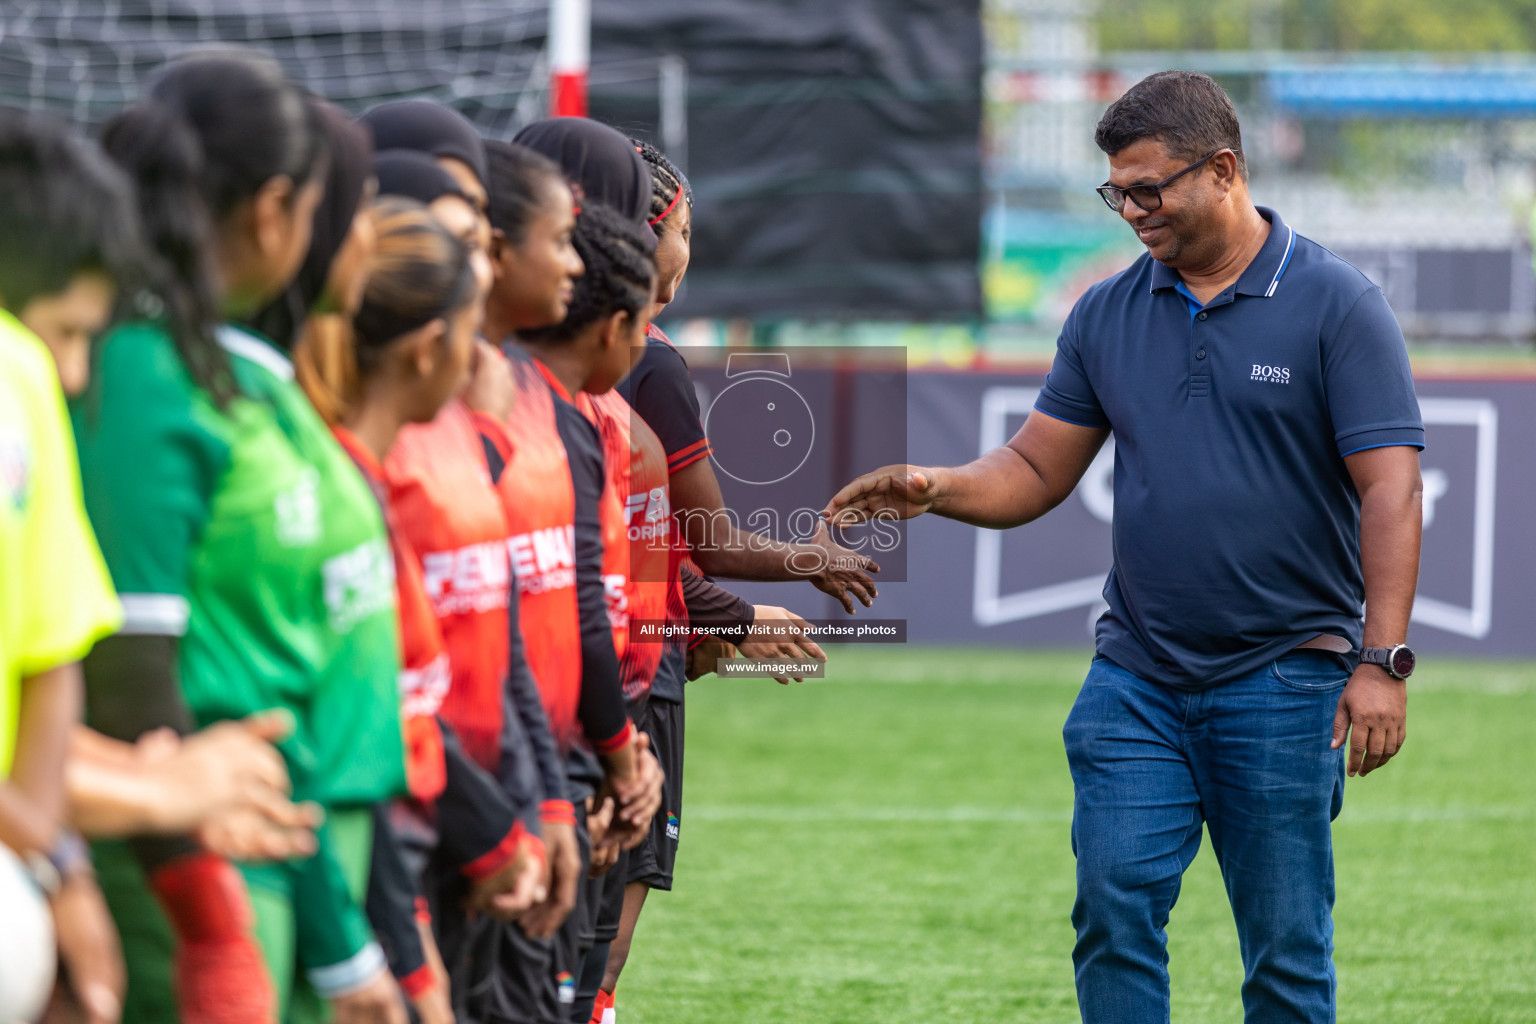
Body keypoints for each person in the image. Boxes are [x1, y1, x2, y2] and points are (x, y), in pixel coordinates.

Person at [827, 71, 1424, 1024]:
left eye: (1149, 189)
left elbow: (1389, 486)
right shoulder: (1106, 312)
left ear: (1223, 170)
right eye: (1117, 192)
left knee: (1286, 955)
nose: (1131, 212)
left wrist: (1382, 659)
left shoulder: (1337, 304)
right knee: (1111, 913)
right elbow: (1033, 468)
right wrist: (934, 489)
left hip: (1285, 677)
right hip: (1136, 677)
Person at [77, 52, 407, 1024]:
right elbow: (133, 664)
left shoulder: (237, 372)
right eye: (335, 208)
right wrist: (213, 899)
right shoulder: (140, 375)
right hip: (202, 860)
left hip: (291, 842)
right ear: (274, 212)